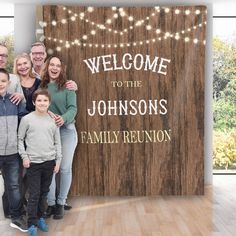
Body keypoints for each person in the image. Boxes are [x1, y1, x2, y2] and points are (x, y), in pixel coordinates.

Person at [18, 88, 62, 236]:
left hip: (49, 162)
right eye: (39, 100)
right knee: (34, 194)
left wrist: (58, 160)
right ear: (34, 102)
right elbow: (20, 139)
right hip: (33, 164)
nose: (42, 103)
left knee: (44, 193)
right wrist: (24, 156)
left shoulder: (52, 121)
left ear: (49, 103)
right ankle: (31, 223)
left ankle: (40, 217)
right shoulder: (27, 119)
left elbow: (57, 142)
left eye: (45, 100)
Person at [41, 56, 77, 219]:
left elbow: (73, 108)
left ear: (62, 69)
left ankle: (61, 203)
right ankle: (52, 203)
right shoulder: (41, 86)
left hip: (67, 130)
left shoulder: (68, 86)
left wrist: (64, 118)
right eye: (52, 65)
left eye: (58, 66)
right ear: (47, 67)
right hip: (48, 133)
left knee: (64, 168)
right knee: (50, 168)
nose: (55, 68)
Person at [0, 68, 28, 232]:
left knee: (14, 186)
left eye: (3, 81)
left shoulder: (15, 101)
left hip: (12, 153)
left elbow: (24, 122)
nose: (0, 84)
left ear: (9, 83)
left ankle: (16, 218)